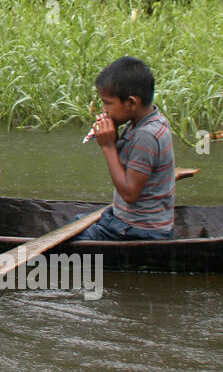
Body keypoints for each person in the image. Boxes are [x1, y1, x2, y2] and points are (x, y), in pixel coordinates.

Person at [71, 56, 175, 240]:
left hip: (140, 230)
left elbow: (129, 194)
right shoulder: (147, 121)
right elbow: (129, 165)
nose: (104, 110)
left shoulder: (146, 135)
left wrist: (109, 147)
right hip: (138, 223)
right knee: (76, 221)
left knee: (72, 237)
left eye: (108, 103)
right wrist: (115, 138)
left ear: (132, 103)